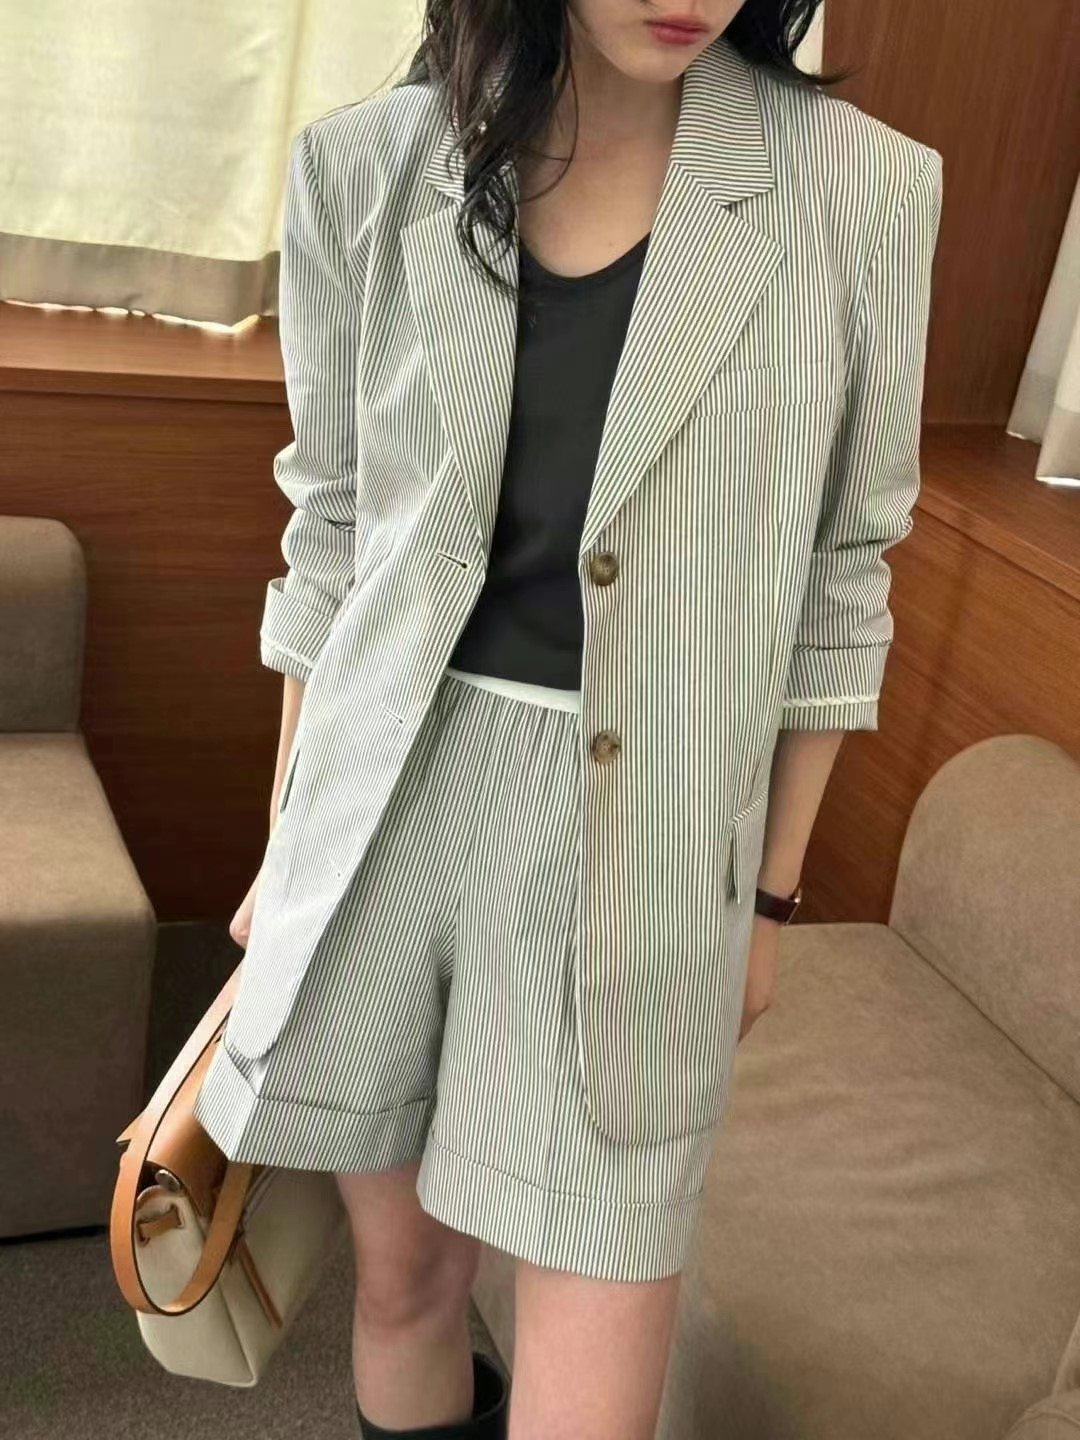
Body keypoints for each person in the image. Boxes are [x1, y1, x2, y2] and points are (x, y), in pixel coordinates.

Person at [192, 2, 944, 1437]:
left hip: (647, 832)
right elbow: (333, 533)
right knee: (405, 1285)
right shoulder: (368, 168)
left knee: (597, 1345)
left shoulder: (861, 187)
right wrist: (289, 841)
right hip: (391, 794)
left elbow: (845, 579)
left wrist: (769, 903)